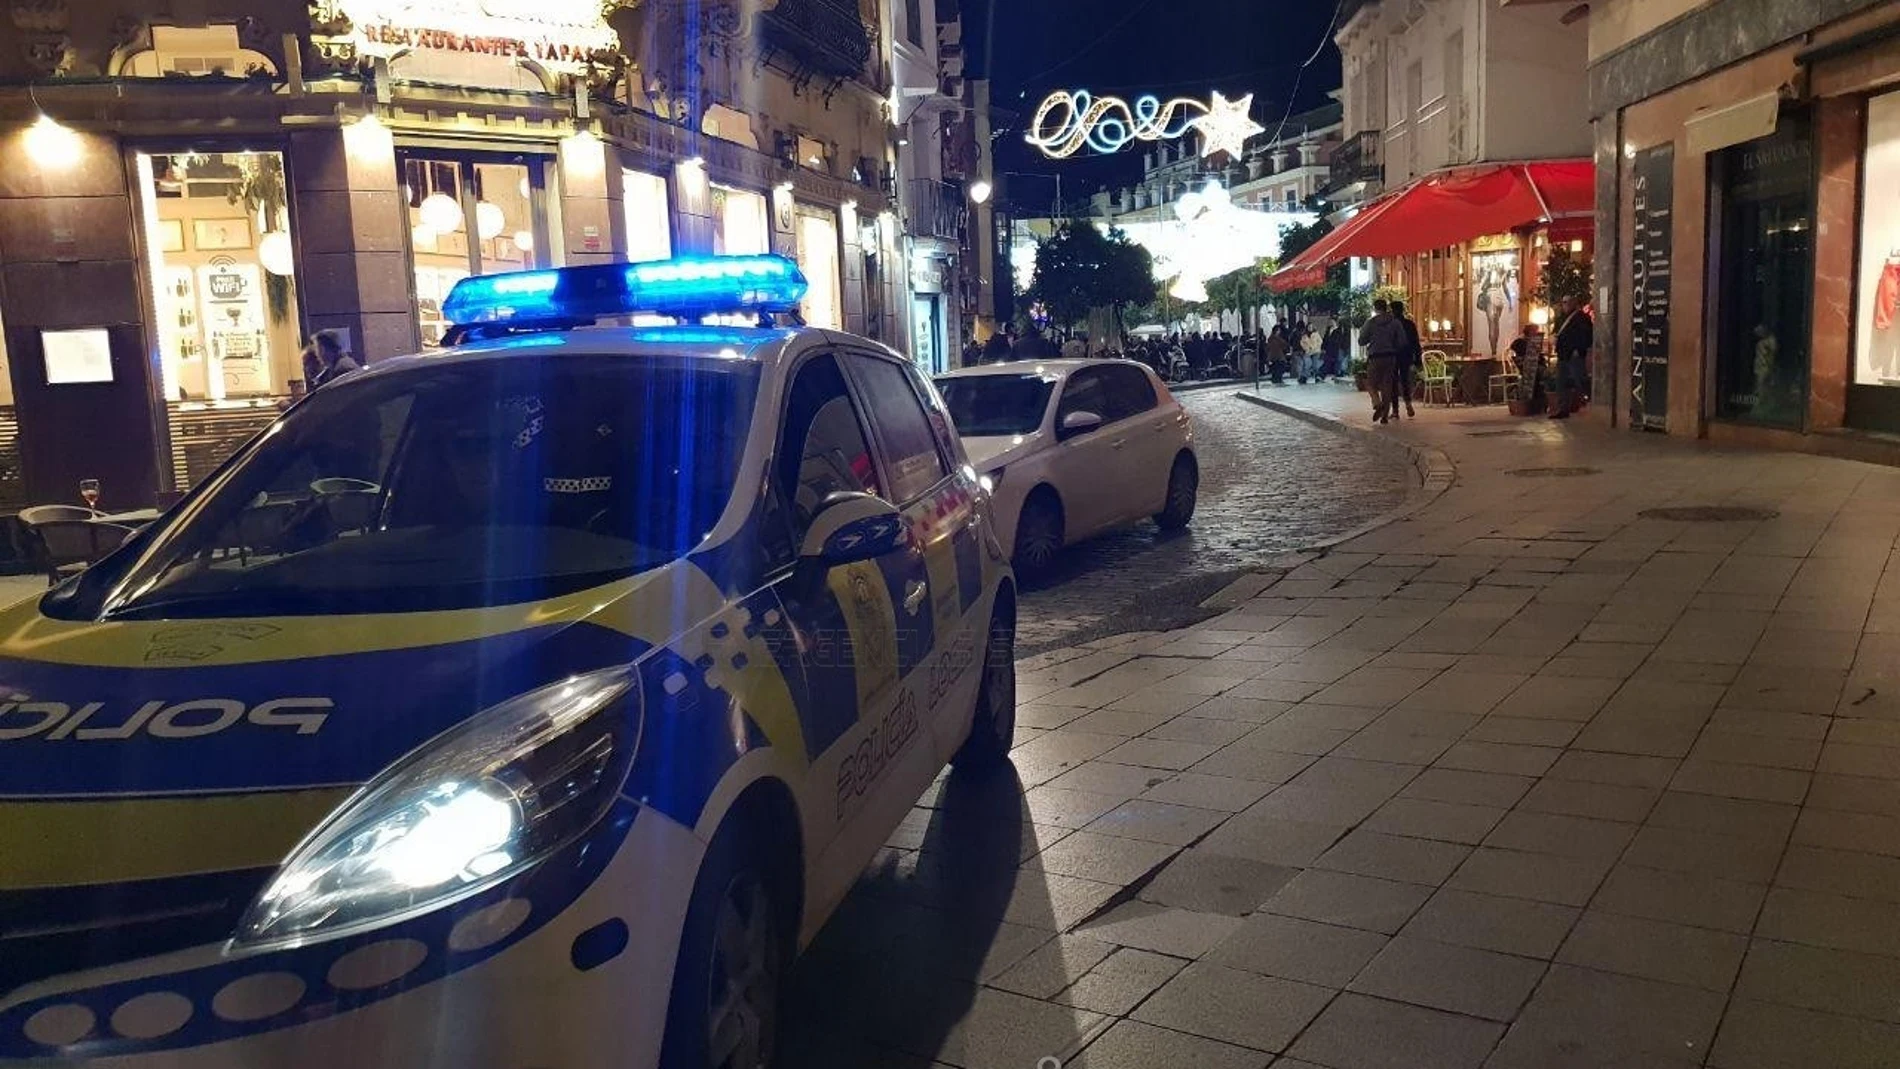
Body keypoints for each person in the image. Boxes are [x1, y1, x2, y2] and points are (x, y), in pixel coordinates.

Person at [1358, 299, 1408, 424]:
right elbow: (1402, 341)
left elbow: (1361, 340)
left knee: (1370, 383)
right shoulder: (1395, 322)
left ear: (1375, 308)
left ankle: (1377, 402)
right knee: (1387, 386)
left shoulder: (1370, 323)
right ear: (1386, 308)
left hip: (1375, 356)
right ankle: (1385, 415)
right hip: (1390, 356)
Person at [1552, 295, 1594, 419]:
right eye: (1563, 302)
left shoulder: (1582, 318)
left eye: (1567, 302)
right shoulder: (1560, 318)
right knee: (1561, 382)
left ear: (1574, 303)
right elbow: (1556, 331)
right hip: (1563, 354)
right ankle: (1562, 409)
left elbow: (1587, 336)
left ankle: (1591, 401)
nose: (1565, 305)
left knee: (1580, 379)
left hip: (1574, 355)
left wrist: (1579, 349)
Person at [1392, 300, 1422, 418]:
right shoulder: (1409, 324)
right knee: (1405, 380)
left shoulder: (1392, 324)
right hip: (1406, 355)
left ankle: (1395, 410)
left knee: (1393, 383)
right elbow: (1416, 342)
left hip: (1393, 355)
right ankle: (1408, 404)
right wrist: (1418, 358)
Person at [1508, 324, 1547, 414]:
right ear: (1529, 332)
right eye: (1535, 331)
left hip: (1536, 366)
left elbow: (1540, 358)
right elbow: (1515, 348)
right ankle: (1533, 403)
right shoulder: (1520, 342)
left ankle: (1540, 402)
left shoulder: (1534, 342)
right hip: (1527, 368)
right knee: (1536, 377)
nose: (1536, 333)